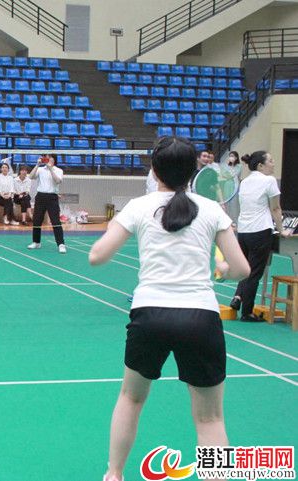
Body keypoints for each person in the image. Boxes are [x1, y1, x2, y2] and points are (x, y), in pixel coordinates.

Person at [88, 136, 250, 481]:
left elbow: (96, 256)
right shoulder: (212, 210)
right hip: (200, 317)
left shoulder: (138, 206)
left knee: (131, 399)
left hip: (150, 316)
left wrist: (121, 226)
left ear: (154, 170)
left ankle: (114, 474)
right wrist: (223, 270)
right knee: (210, 419)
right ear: (194, 171)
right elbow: (242, 270)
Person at [229, 151, 292, 322]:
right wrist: (282, 229)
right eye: (270, 161)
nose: (273, 163)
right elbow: (276, 208)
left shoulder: (245, 182)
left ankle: (238, 297)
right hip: (260, 231)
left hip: (243, 232)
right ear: (260, 166)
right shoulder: (269, 180)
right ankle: (247, 313)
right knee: (254, 273)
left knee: (246, 269)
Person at [27, 154, 66, 253]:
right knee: (37, 220)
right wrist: (37, 165)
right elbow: (31, 176)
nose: (47, 159)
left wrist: (51, 169)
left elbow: (58, 181)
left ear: (54, 159)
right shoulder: (40, 169)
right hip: (40, 196)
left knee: (55, 221)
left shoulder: (59, 170)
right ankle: (36, 242)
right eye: (46, 157)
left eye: (49, 157)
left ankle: (61, 244)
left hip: (52, 197)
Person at [221, 150, 241, 223]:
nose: (231, 158)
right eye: (230, 156)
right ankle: (227, 221)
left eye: (232, 156)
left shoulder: (239, 166)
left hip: (235, 186)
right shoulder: (226, 166)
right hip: (227, 185)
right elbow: (224, 176)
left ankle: (235, 221)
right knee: (227, 203)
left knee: (235, 204)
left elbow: (236, 175)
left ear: (236, 157)